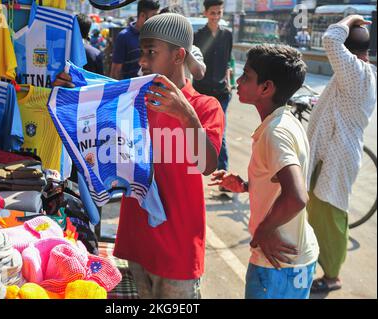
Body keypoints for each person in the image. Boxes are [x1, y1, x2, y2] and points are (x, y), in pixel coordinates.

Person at [113, 13, 225, 299]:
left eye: (151, 52)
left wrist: (186, 115)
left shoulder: (205, 107)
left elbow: (207, 165)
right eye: (142, 52)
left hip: (178, 251)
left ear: (178, 56)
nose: (142, 60)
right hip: (138, 243)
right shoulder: (134, 101)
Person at [209, 44, 319, 299]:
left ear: (266, 88)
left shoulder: (275, 132)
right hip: (295, 260)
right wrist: (247, 186)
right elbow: (281, 183)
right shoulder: (284, 121)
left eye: (246, 76)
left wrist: (263, 231)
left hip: (277, 264)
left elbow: (297, 197)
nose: (237, 81)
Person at [307, 15, 376, 294]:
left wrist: (349, 20)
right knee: (319, 211)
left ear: (349, 51)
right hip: (332, 154)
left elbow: (329, 40)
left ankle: (332, 274)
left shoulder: (356, 72)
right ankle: (319, 262)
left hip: (336, 156)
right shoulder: (362, 73)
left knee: (331, 216)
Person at [193, 0, 233, 181]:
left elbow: (227, 61)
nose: (216, 16)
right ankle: (195, 167)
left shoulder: (227, 35)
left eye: (219, 12)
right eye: (213, 13)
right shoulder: (198, 36)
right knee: (197, 130)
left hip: (221, 91)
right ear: (206, 13)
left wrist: (228, 81)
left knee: (220, 132)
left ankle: (222, 174)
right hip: (201, 91)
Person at [110, 0, 160, 80]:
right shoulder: (124, 36)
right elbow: (115, 72)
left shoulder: (156, 36)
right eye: (153, 16)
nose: (156, 20)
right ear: (142, 15)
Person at [159, 5, 206, 81]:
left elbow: (199, 74)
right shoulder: (154, 50)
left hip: (182, 93)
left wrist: (184, 47)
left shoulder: (192, 49)